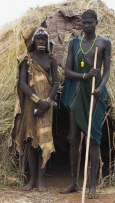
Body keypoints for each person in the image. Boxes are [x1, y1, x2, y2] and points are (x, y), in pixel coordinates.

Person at [60, 9, 111, 199]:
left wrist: (100, 87)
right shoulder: (75, 43)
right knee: (74, 139)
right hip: (77, 93)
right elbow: (66, 71)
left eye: (90, 22)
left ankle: (92, 186)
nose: (86, 26)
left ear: (96, 23)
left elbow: (107, 70)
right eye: (84, 23)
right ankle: (74, 182)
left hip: (94, 95)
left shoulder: (104, 43)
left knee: (93, 139)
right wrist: (84, 75)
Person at [14, 27, 59, 191]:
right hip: (31, 105)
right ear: (33, 41)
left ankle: (41, 180)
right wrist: (36, 100)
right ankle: (32, 179)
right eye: (38, 38)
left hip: (47, 106)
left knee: (44, 142)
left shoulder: (51, 60)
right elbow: (23, 83)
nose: (41, 41)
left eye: (43, 39)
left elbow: (56, 83)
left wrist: (47, 101)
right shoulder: (27, 59)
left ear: (47, 42)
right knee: (31, 142)